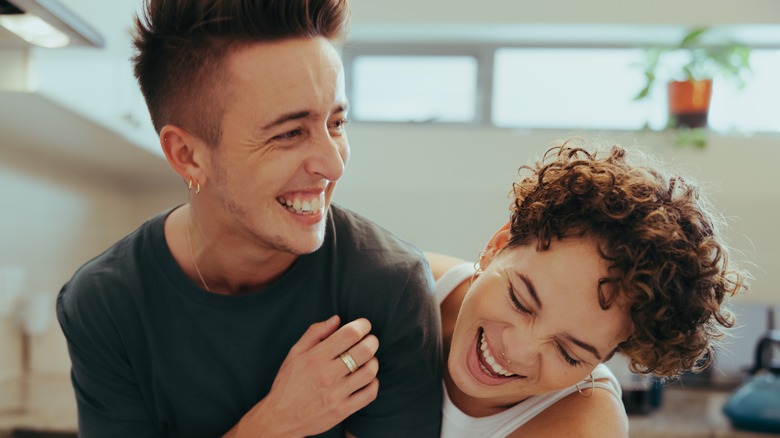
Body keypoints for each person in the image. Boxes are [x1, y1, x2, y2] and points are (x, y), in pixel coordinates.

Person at [55, 0, 442, 436]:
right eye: (289, 133)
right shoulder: (106, 304)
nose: (333, 165)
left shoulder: (388, 287)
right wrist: (275, 423)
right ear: (187, 156)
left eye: (335, 123)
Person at [427, 140, 747, 437]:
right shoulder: (407, 284)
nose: (518, 350)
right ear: (496, 247)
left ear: (607, 356)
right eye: (520, 301)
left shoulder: (585, 427)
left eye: (569, 354)